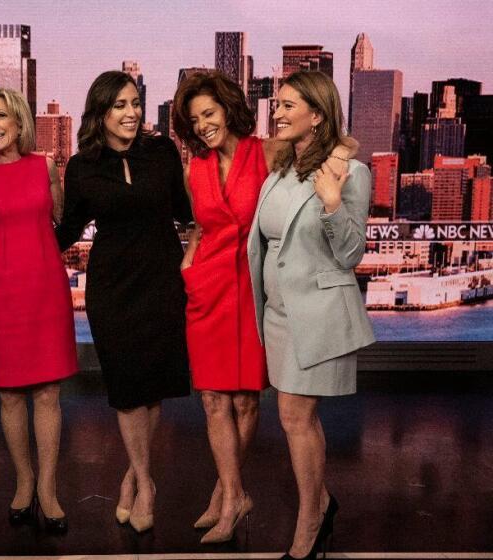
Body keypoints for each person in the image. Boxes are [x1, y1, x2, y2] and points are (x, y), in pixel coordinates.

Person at [171, 71, 356, 545]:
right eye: (194, 120)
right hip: (209, 286)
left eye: (209, 113)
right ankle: (233, 496)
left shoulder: (270, 150)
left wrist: (338, 165)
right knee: (213, 399)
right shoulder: (193, 167)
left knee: (245, 399)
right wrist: (189, 263)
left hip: (255, 286)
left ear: (228, 109)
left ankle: (226, 493)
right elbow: (199, 225)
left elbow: (341, 145)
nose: (203, 125)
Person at [55, 70, 192, 533]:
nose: (131, 113)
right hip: (113, 288)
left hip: (162, 281)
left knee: (150, 388)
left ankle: (135, 476)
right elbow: (68, 229)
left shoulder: (162, 152)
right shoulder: (82, 165)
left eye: (135, 103)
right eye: (120, 105)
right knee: (128, 390)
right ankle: (147, 482)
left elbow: (187, 213)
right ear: (101, 112)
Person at [246, 71, 375, 559]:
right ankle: (321, 501)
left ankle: (310, 523)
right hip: (277, 316)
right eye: (276, 104)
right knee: (295, 418)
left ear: (316, 114)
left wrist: (332, 204)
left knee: (295, 416)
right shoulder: (279, 170)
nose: (276, 112)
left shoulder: (352, 173)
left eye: (287, 105)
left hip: (317, 312)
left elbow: (351, 253)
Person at [0, 87, 78, 533]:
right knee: (10, 395)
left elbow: (62, 220)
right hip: (0, 292)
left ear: (18, 123)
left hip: (46, 287)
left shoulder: (45, 166)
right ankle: (24, 482)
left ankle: (48, 490)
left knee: (48, 393)